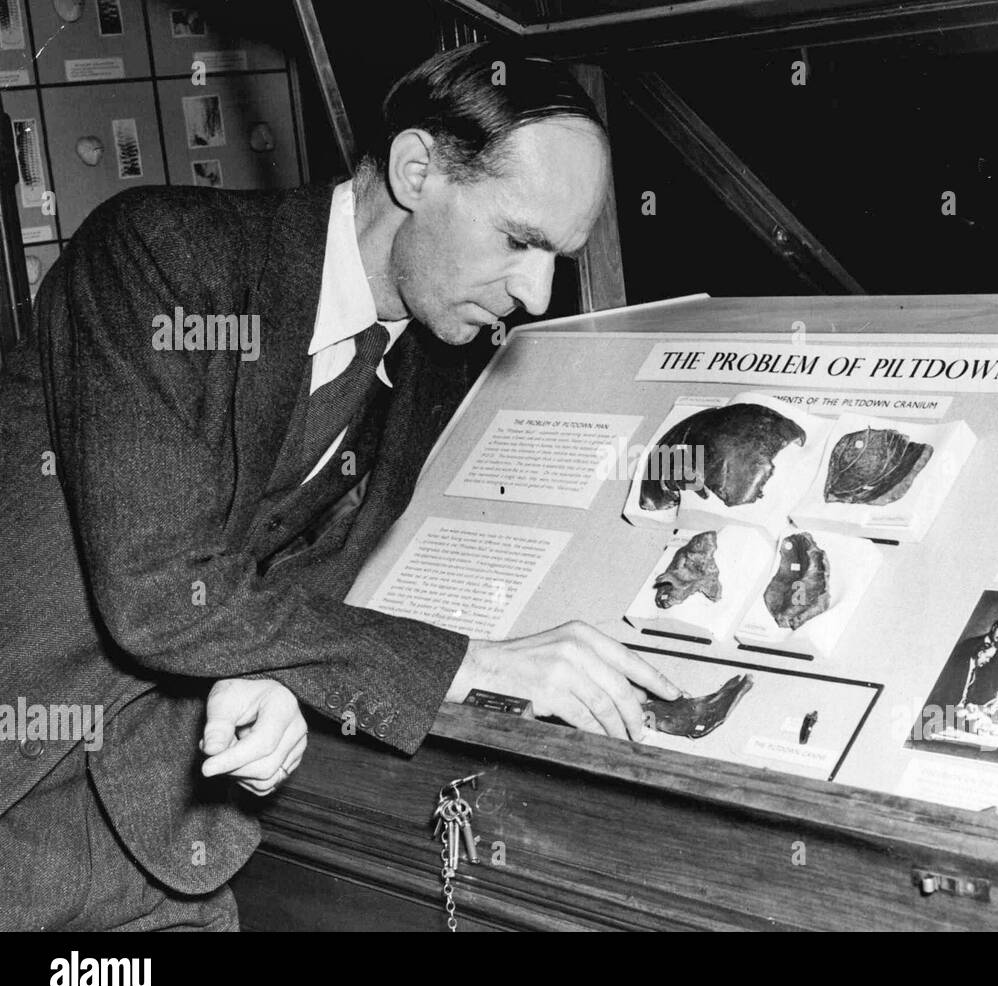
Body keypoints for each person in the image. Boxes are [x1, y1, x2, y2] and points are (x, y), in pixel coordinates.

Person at [0, 43, 679, 932]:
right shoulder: (162, 258)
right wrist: (472, 663)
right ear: (415, 169)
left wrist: (280, 681)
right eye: (519, 241)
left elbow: (320, 586)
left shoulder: (438, 370)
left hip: (159, 841)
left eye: (557, 258)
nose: (537, 294)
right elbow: (158, 587)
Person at [932, 635, 998, 711]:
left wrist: (969, 704)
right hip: (945, 709)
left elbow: (967, 693)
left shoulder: (976, 669)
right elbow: (946, 694)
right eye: (988, 657)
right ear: (980, 653)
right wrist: (954, 712)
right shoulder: (960, 666)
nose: (988, 661)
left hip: (959, 709)